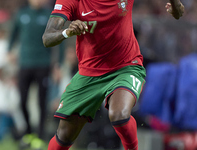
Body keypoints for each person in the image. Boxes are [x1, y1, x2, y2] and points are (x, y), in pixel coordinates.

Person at [42, 0, 184, 150]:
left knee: (119, 114)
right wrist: (67, 32)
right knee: (64, 135)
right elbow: (47, 38)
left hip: (126, 66)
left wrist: (176, 6)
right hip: (89, 73)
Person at [7, 0, 63, 149]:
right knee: (22, 100)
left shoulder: (49, 15)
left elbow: (60, 39)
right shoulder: (22, 13)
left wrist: (58, 64)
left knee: (41, 102)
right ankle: (28, 133)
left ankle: (39, 136)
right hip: (25, 64)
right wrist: (10, 50)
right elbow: (13, 34)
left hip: (43, 65)